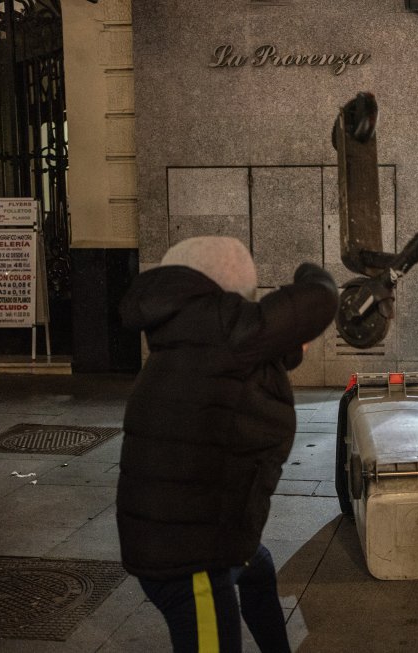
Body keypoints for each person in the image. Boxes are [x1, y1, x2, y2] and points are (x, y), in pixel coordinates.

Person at [116, 236, 338, 653]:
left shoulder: (187, 330)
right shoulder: (216, 327)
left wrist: (287, 338)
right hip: (189, 559)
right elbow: (319, 298)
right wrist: (309, 268)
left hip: (198, 531)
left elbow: (251, 360)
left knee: (257, 567)